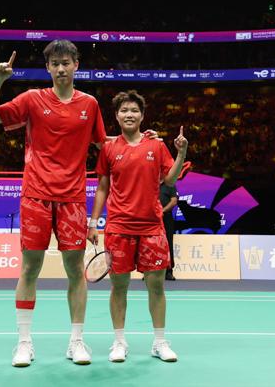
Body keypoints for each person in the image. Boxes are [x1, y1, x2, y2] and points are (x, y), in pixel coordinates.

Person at [0, 40, 107, 367]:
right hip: (35, 195)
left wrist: (138, 140)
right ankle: (24, 343)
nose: (61, 69)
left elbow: (103, 144)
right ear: (48, 68)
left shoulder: (89, 104)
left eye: (66, 62)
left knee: (75, 271)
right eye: (55, 64)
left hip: (73, 199)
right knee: (29, 268)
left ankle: (76, 341)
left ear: (77, 65)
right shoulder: (32, 99)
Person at [88, 90, 188, 364]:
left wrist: (181, 153)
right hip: (119, 227)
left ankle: (160, 342)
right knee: (119, 287)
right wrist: (93, 222)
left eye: (134, 110)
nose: (129, 114)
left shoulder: (156, 146)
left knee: (156, 287)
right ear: (117, 116)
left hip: (152, 227)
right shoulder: (109, 149)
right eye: (124, 110)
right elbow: (102, 187)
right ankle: (119, 342)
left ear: (142, 116)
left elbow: (170, 180)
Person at [160, 182, 179, 280]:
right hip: (151, 218)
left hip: (166, 217)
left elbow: (174, 201)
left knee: (167, 243)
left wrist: (162, 211)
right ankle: (148, 271)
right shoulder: (149, 183)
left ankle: (168, 271)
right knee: (149, 244)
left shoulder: (169, 185)